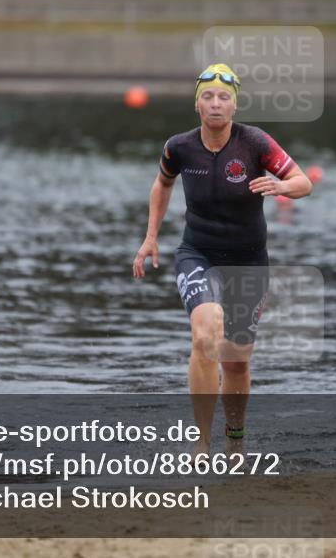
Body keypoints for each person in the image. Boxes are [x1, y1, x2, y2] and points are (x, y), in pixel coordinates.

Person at [132, 63, 313, 457]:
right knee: (204, 333)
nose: (216, 104)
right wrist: (150, 238)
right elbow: (162, 184)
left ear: (235, 106)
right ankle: (201, 439)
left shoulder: (255, 143)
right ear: (197, 105)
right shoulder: (179, 147)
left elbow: (305, 182)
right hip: (198, 253)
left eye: (224, 98)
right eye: (208, 97)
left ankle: (235, 437)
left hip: (248, 262)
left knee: (236, 360)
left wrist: (281, 185)